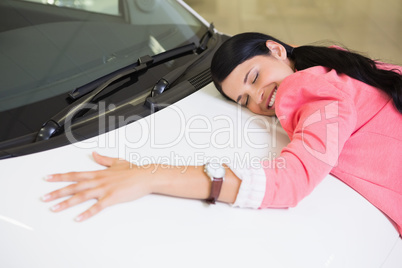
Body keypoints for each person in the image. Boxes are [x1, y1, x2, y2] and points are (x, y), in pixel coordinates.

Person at [42, 32, 402, 235]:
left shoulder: (308, 88)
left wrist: (151, 175)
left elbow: (289, 183)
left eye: (255, 77)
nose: (259, 99)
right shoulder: (337, 67)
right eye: (244, 100)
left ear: (276, 49)